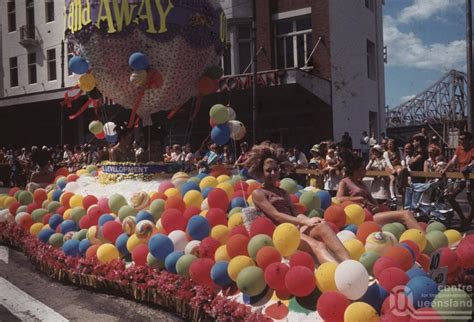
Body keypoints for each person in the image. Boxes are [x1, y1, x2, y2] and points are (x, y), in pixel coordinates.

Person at [245, 143, 350, 263]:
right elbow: (276, 215)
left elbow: (295, 213)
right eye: (268, 170)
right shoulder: (258, 193)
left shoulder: (283, 192)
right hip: (281, 233)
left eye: (275, 169)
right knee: (319, 246)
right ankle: (336, 275)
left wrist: (311, 221)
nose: (273, 173)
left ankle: (350, 265)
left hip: (295, 229)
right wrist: (305, 221)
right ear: (261, 172)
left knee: (322, 225)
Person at [337, 153, 423, 230]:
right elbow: (339, 198)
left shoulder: (361, 183)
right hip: (363, 217)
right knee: (405, 214)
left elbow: (372, 201)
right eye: (363, 168)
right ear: (355, 170)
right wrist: (358, 199)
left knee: (405, 216)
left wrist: (376, 207)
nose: (365, 170)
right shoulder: (345, 182)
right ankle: (425, 239)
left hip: (371, 213)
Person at [441, 131, 474, 225]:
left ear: (469, 140)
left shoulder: (472, 149)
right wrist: (445, 169)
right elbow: (453, 160)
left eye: (463, 139)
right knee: (451, 197)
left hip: (470, 176)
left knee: (470, 198)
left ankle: (469, 219)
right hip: (461, 176)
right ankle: (463, 218)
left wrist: (468, 167)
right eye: (461, 139)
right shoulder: (459, 148)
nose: (461, 141)